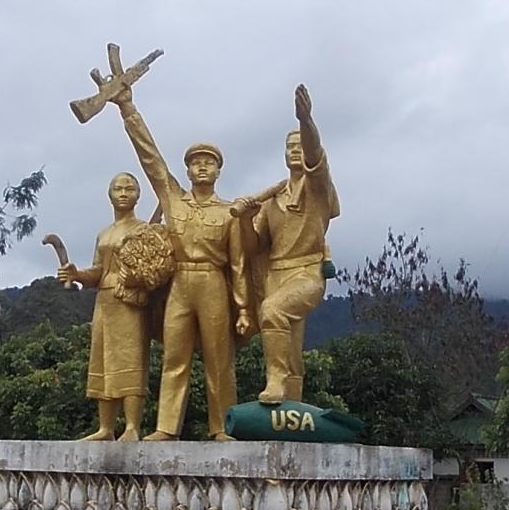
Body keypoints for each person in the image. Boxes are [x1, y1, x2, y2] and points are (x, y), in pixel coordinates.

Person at [109, 81, 251, 441]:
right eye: (195, 163)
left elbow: (237, 265)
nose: (202, 168)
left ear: (218, 171)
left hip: (214, 283)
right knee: (175, 358)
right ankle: (166, 428)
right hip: (181, 284)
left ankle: (222, 426)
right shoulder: (174, 200)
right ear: (187, 171)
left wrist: (244, 308)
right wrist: (128, 109)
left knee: (219, 361)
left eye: (209, 163)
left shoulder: (229, 211)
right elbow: (150, 158)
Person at [236, 84, 340, 404]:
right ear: (282, 154)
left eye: (299, 144)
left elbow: (316, 157)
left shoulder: (318, 188)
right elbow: (255, 247)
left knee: (273, 309)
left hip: (307, 272)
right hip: (275, 274)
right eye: (289, 145)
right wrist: (244, 218)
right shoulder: (272, 201)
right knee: (289, 345)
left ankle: (276, 380)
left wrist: (305, 122)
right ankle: (290, 405)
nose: (295, 149)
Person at [57, 173, 151, 441]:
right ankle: (105, 428)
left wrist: (136, 279)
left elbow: (152, 266)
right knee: (103, 359)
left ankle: (132, 426)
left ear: (138, 194)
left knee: (130, 357)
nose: (124, 192)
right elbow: (97, 271)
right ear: (109, 194)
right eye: (118, 188)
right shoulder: (104, 234)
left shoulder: (144, 228)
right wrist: (77, 274)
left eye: (129, 188)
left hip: (129, 300)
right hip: (104, 301)